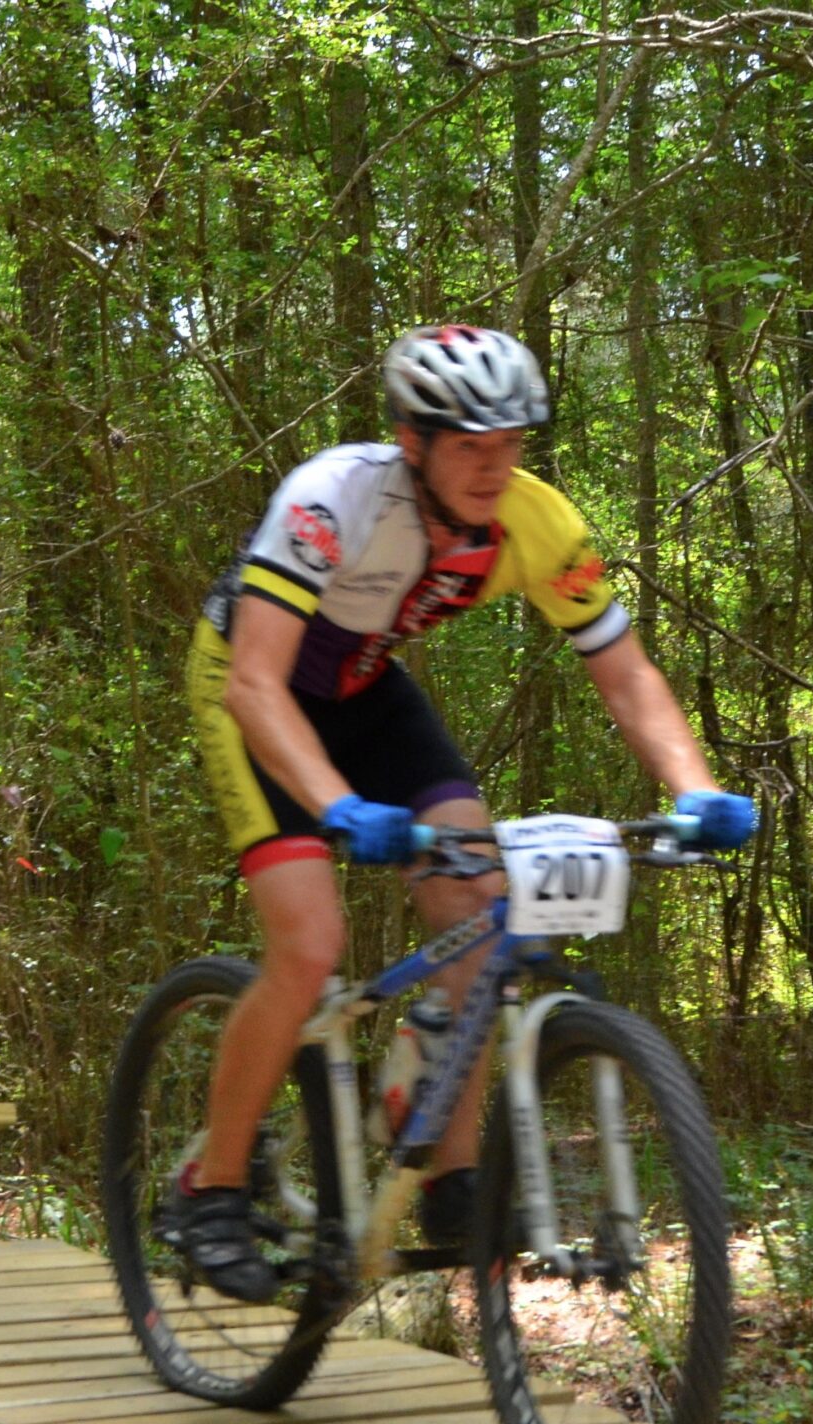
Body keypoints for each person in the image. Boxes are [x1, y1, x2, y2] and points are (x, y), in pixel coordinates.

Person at [177, 324, 755, 1300]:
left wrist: (693, 787)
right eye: (470, 447)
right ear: (415, 440)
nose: (494, 469)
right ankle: (211, 1188)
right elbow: (254, 682)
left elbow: (623, 673)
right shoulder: (333, 499)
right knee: (310, 943)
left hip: (366, 696)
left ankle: (447, 1172)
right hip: (252, 690)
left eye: (511, 444)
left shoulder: (538, 523)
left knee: (485, 912)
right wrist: (338, 807)